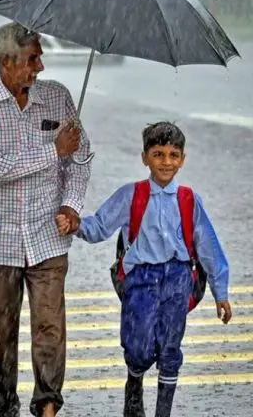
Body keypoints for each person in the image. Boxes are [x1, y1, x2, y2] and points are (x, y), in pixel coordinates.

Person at [0, 21, 92, 417]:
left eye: (40, 58)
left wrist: (72, 205)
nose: (41, 68)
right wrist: (54, 150)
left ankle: (48, 406)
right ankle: (4, 408)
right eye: (33, 59)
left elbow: (81, 159)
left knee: (50, 330)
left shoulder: (59, 98)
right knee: (1, 335)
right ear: (6, 62)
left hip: (48, 236)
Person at [56, 121, 232, 417]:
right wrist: (75, 224)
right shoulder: (131, 195)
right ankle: (134, 378)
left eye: (173, 155)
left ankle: (163, 411)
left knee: (170, 348)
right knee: (137, 347)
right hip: (140, 280)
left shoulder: (189, 200)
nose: (166, 162)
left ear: (183, 159)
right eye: (158, 154)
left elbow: (208, 247)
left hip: (178, 280)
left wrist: (221, 291)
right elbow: (100, 226)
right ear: (145, 157)